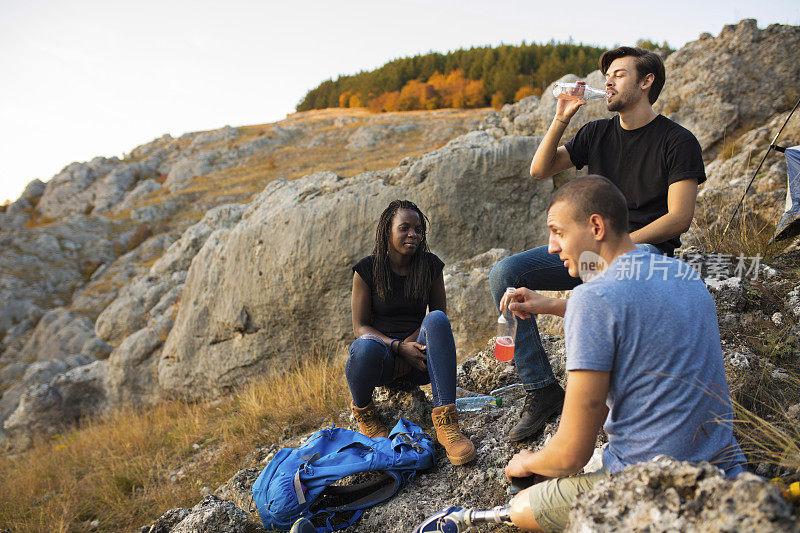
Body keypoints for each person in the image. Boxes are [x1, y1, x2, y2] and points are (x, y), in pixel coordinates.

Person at [501, 176, 745, 532]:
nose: (552, 247)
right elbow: (634, 317)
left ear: (596, 226)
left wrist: (528, 462)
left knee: (522, 507)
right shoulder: (681, 273)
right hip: (723, 466)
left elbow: (572, 453)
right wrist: (553, 305)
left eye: (558, 232)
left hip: (653, 482)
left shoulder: (593, 301)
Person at [490, 46, 707, 441]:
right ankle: (541, 390)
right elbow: (540, 169)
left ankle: (602, 400)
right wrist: (560, 119)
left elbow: (679, 217)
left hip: (643, 252)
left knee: (603, 280)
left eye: (619, 74)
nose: (607, 81)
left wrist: (615, 248)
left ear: (646, 82)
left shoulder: (677, 141)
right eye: (606, 75)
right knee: (506, 272)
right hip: (589, 248)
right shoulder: (596, 133)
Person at [347, 199, 476, 466]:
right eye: (404, 228)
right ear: (387, 232)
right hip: (382, 361)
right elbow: (360, 326)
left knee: (438, 320)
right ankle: (365, 413)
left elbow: (437, 317)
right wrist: (396, 347)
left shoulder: (430, 266)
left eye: (418, 229)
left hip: (418, 359)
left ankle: (447, 423)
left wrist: (409, 346)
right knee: (363, 346)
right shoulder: (366, 270)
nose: (413, 234)